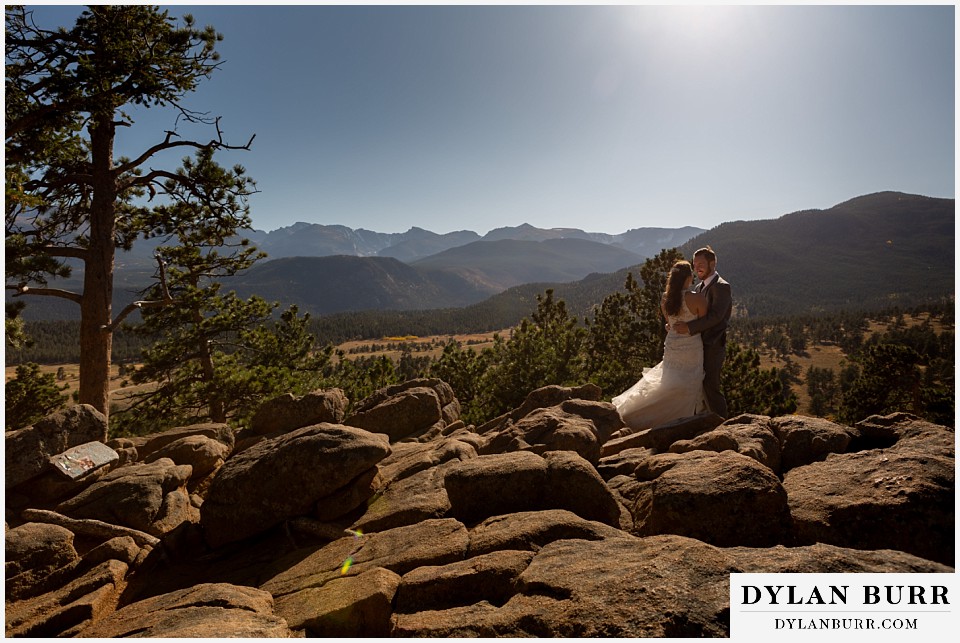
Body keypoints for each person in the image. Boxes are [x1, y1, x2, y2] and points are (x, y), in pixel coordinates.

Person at [612, 260, 708, 430]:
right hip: (691, 347)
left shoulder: (666, 298)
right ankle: (681, 421)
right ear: (688, 277)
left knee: (668, 380)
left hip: (672, 344)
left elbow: (669, 322)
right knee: (688, 383)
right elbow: (704, 322)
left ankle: (641, 415)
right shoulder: (697, 298)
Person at [672, 246, 732, 419]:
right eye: (694, 264)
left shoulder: (722, 287)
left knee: (711, 386)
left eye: (701, 264)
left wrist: (689, 328)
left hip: (713, 345)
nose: (696, 267)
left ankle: (723, 424)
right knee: (697, 385)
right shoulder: (699, 287)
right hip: (696, 346)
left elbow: (716, 317)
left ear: (712, 263)